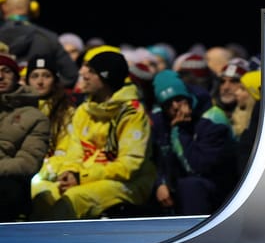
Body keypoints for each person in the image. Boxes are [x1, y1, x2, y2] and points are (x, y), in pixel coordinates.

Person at [30, 47, 157, 219]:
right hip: (85, 178)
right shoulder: (84, 110)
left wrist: (81, 177)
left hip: (128, 184)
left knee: (73, 200)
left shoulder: (131, 113)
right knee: (43, 194)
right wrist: (69, 172)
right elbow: (74, 152)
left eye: (91, 72)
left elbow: (129, 166)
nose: (84, 75)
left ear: (106, 78)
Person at [150, 69, 237, 215]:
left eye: (178, 99)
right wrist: (160, 183)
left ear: (187, 96)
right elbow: (153, 159)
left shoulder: (213, 119)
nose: (175, 106)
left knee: (191, 186)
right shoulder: (159, 119)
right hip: (175, 184)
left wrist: (179, 131)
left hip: (216, 187)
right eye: (168, 103)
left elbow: (197, 167)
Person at [0, 50, 50, 221]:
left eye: (6, 71)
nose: (0, 77)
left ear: (17, 78)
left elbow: (28, 163)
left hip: (9, 186)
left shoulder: (34, 117)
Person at [0, 0, 79, 87]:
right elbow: (71, 75)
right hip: (38, 100)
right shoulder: (49, 38)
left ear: (3, 7)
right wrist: (48, 88)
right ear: (32, 8)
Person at [24, 49, 76, 184]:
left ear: (55, 80)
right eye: (34, 76)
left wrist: (45, 171)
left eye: (46, 76)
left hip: (50, 172)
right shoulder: (18, 109)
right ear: (27, 81)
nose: (40, 81)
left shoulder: (66, 111)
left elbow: (65, 151)